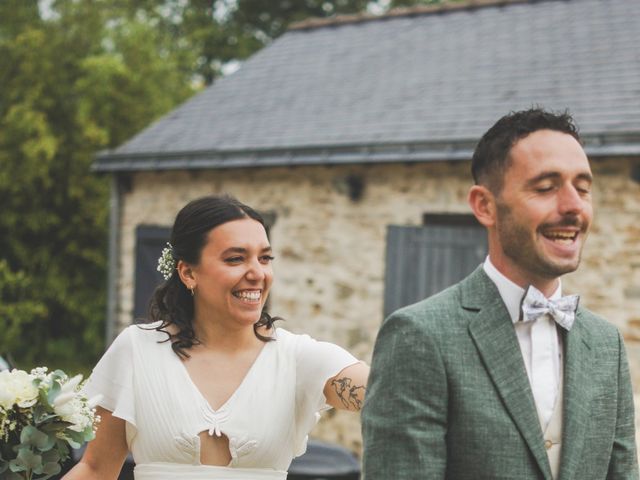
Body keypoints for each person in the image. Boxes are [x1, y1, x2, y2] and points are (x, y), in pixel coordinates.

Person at [362, 108, 638, 479]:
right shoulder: (420, 336)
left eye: (583, 188)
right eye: (545, 187)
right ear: (485, 206)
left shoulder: (607, 343)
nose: (573, 206)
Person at [65, 195, 369, 480]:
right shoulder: (137, 349)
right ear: (188, 273)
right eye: (236, 259)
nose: (257, 273)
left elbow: (387, 392)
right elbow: (94, 469)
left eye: (264, 258)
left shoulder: (299, 357)